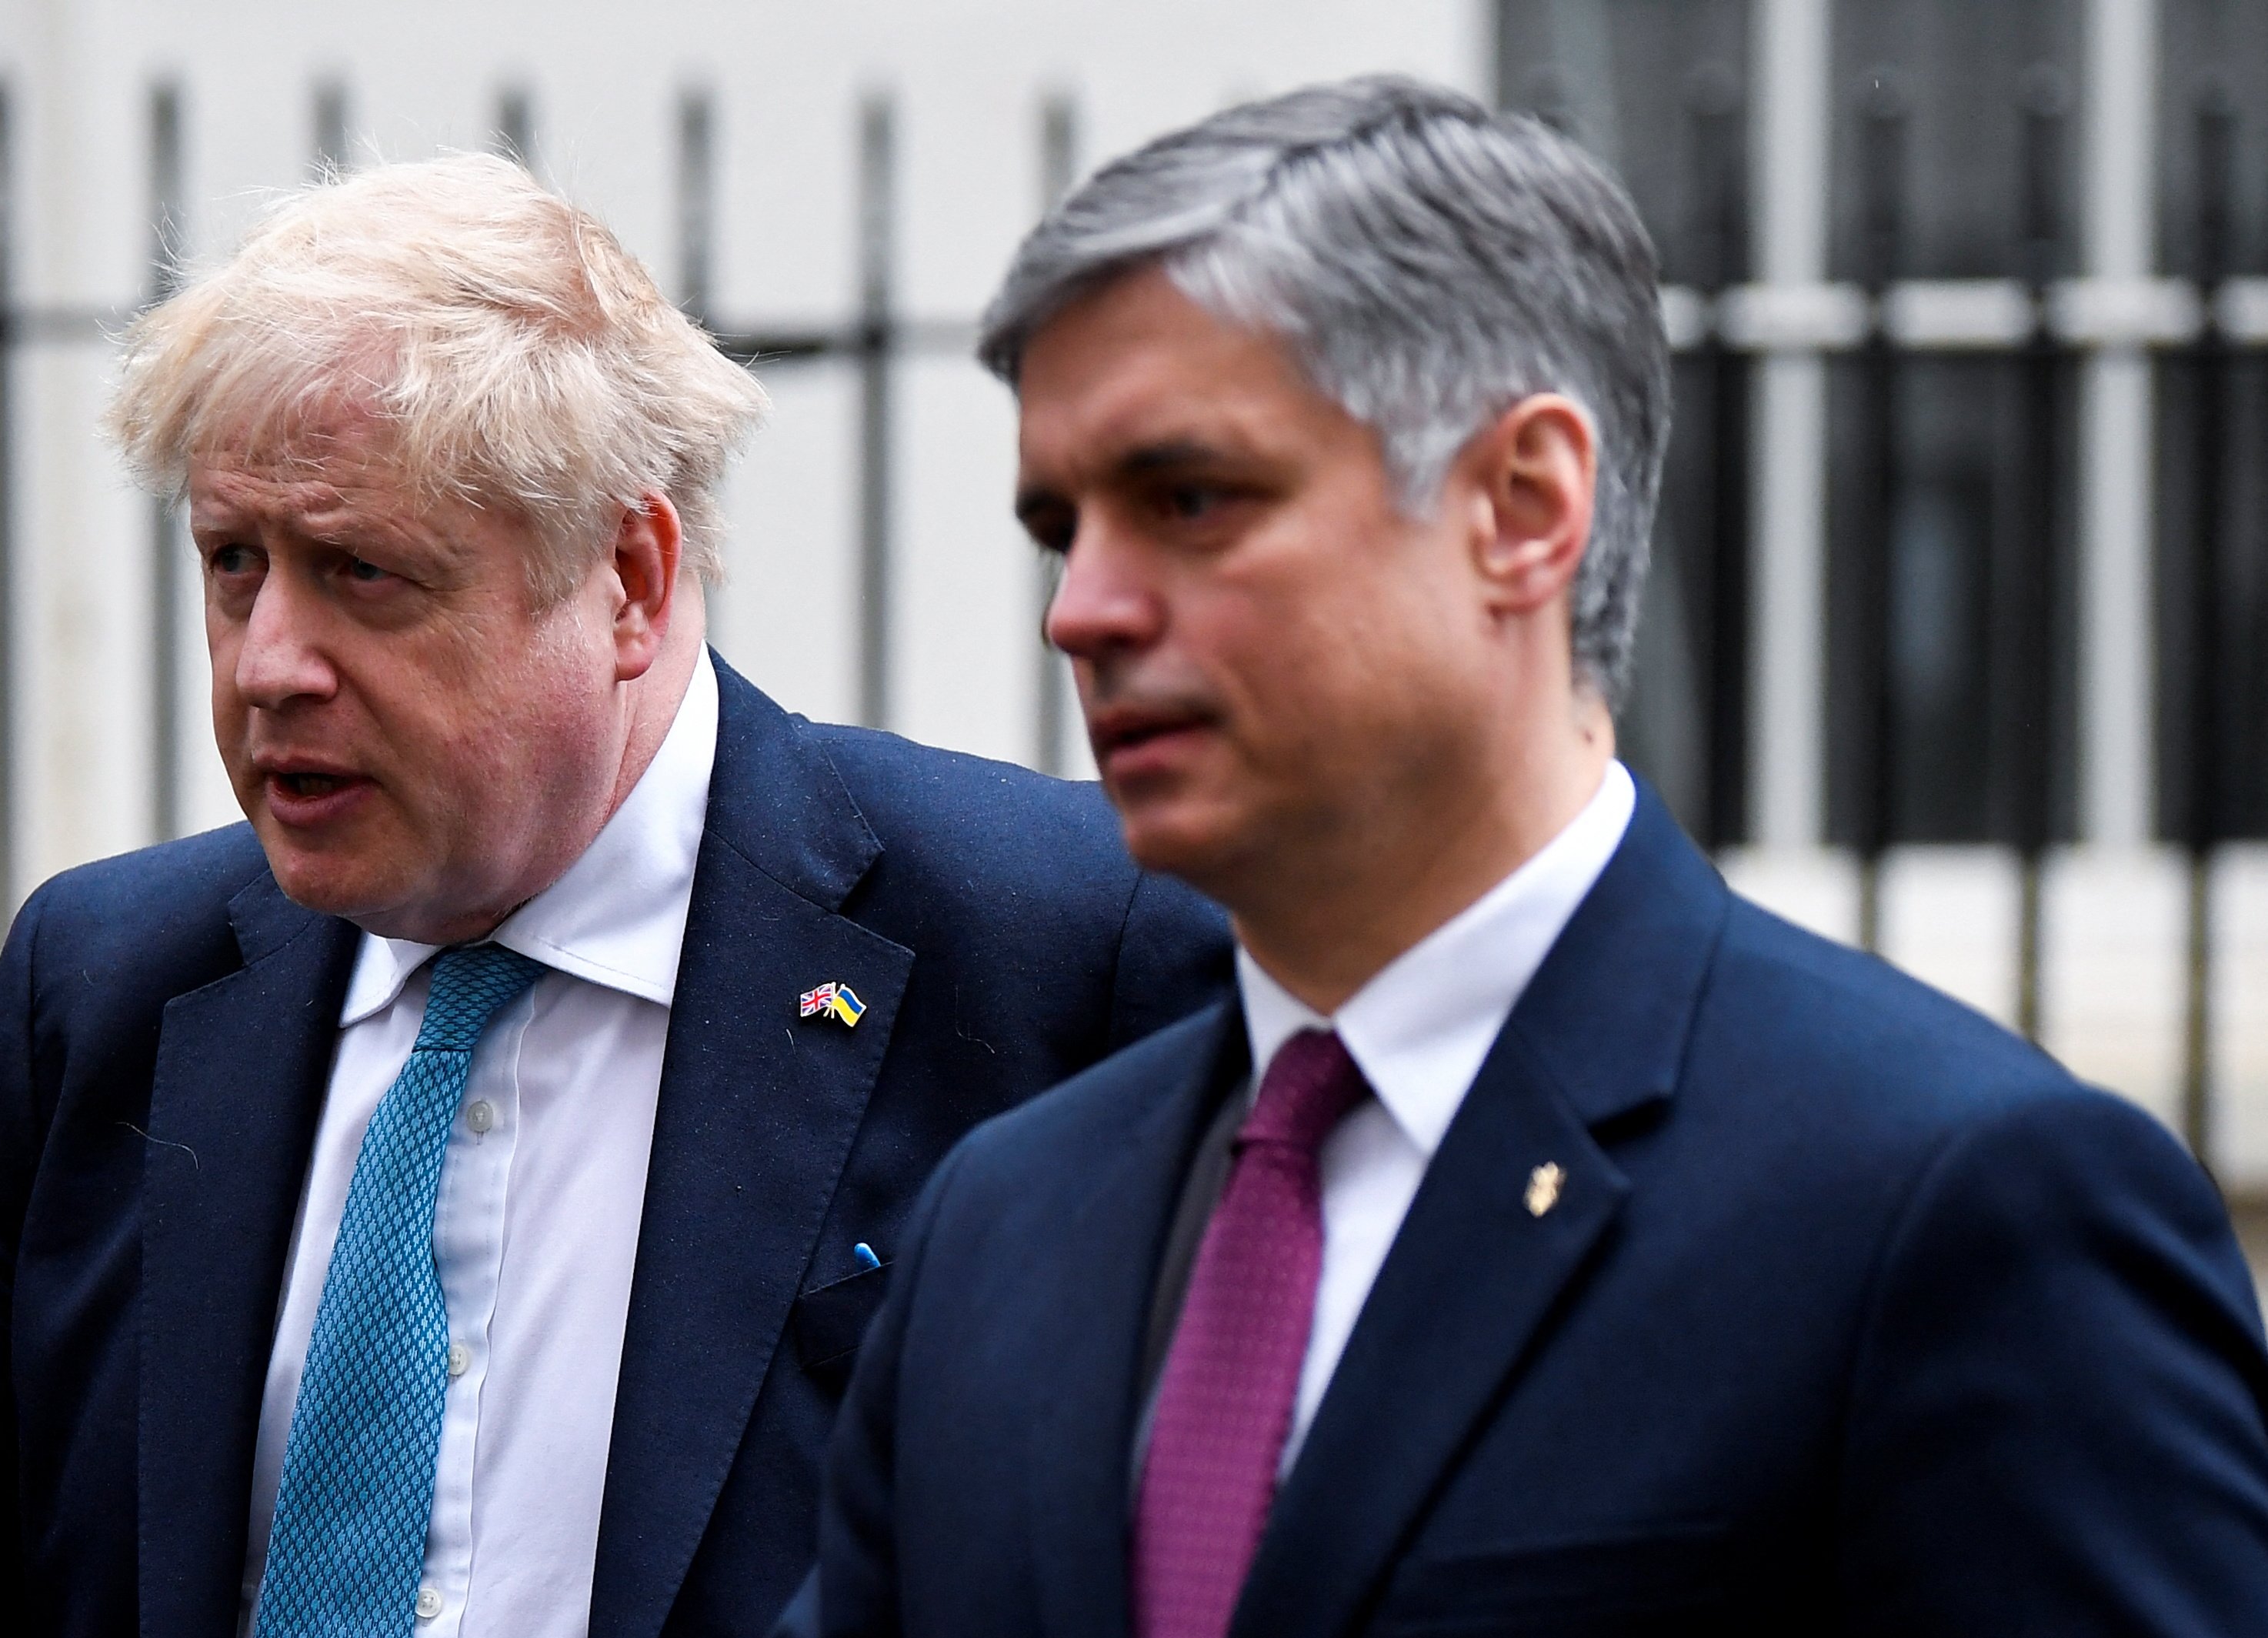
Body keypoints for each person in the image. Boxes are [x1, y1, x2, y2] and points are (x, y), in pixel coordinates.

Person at [789, 76, 2268, 1638]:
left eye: (1190, 499)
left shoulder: (1959, 1205)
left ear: (1522, 506)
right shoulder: (1002, 1223)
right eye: (1061, 527)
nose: (1082, 609)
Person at [0, 155, 1226, 1638]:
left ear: (630, 578)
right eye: (234, 563)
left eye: (363, 571)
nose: (266, 663)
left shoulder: (1065, 948)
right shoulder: (99, 987)